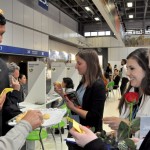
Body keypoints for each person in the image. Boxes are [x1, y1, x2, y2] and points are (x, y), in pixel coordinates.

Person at [70, 48, 150, 150]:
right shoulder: (132, 91)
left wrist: (127, 125)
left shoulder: (98, 85)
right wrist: (112, 134)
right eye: (127, 68)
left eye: (132, 68)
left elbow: (145, 135)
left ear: (146, 69)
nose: (127, 73)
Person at [0, 10, 43, 150]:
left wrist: (23, 117)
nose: (1, 39)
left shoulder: (2, 67)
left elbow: (7, 105)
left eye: (2, 34)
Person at [55, 50, 106, 132]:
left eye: (79, 63)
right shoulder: (83, 82)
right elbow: (75, 103)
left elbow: (94, 116)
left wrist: (74, 109)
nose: (75, 66)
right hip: (76, 126)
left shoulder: (98, 86)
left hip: (88, 131)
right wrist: (61, 93)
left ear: (90, 64)